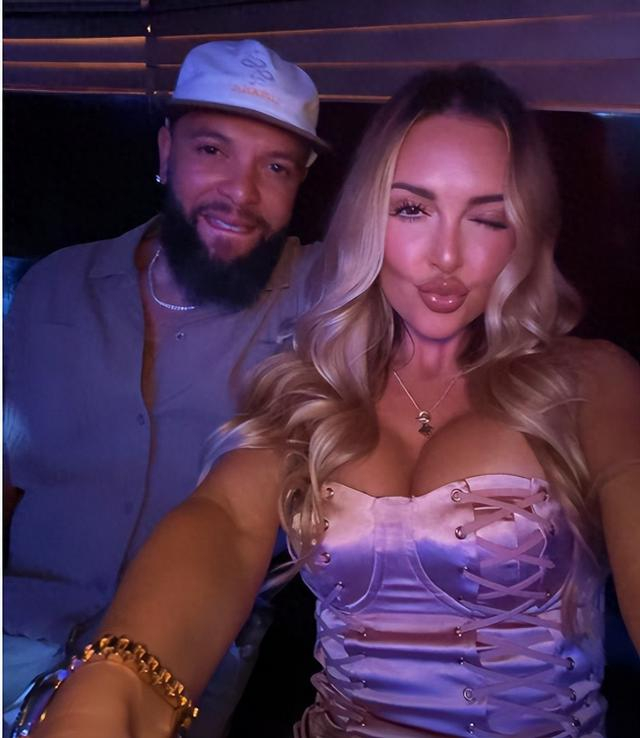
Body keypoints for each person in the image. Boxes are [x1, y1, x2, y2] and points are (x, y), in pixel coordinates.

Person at [29, 65, 639, 738]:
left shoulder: (590, 382)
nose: (446, 255)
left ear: (526, 232)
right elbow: (225, 522)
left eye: (487, 218)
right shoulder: (313, 386)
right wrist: (112, 687)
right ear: (368, 217)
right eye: (412, 209)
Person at [3, 38, 328, 737]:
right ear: (164, 151)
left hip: (180, 678)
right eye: (212, 150)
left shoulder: (326, 298)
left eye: (275, 167)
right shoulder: (52, 284)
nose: (241, 193)